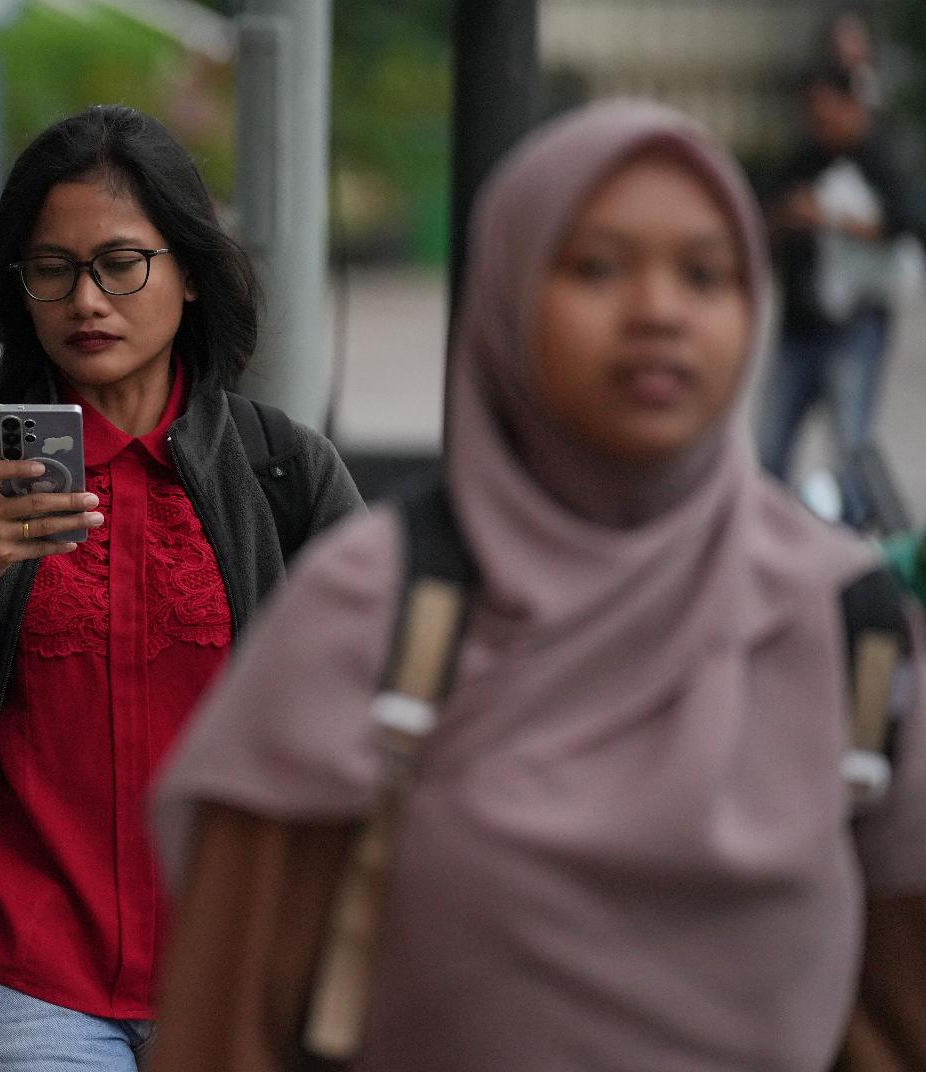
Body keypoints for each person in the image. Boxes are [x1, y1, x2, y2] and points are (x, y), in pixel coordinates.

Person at [150, 100, 926, 1071]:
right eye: (596, 267)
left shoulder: (847, 626)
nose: (659, 311)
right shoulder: (372, 610)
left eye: (706, 274)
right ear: (508, 294)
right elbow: (227, 1030)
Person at [0, 104, 362, 1071]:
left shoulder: (285, 472)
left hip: (231, 970)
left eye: (121, 263)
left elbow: (377, 713)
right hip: (16, 972)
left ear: (189, 275)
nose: (87, 300)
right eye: (53, 269)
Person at [755, 66, 915, 524]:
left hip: (856, 327)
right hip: (799, 326)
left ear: (852, 106)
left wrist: (833, 218)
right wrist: (791, 216)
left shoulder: (880, 158)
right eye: (814, 112)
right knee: (771, 446)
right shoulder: (802, 159)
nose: (822, 121)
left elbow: (907, 224)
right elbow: (764, 218)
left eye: (831, 110)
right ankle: (767, 534)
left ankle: (861, 543)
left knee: (852, 446)